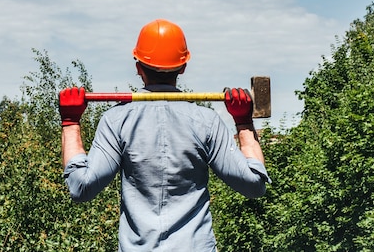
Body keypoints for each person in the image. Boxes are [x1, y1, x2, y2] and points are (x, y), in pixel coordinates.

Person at [59, 18, 270, 251]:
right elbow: (254, 185)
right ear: (183, 67)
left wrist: (71, 123)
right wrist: (243, 123)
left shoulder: (116, 121)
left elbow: (81, 188)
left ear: (138, 67)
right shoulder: (206, 122)